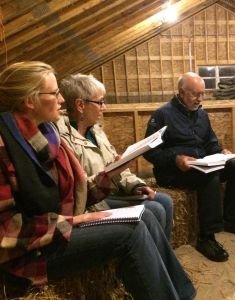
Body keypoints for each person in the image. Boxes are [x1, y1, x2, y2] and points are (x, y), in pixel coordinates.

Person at [0, 61, 195, 300]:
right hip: (32, 253)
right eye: (54, 93)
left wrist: (111, 173)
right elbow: (6, 231)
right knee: (130, 232)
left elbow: (77, 191)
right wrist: (72, 221)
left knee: (145, 215)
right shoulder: (6, 146)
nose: (62, 100)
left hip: (61, 228)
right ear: (30, 101)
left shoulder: (49, 137)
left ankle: (181, 293)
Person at [144, 72, 235, 262]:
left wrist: (221, 152)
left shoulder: (202, 114)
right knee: (209, 176)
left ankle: (231, 219)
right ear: (181, 92)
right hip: (173, 172)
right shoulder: (162, 115)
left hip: (199, 164)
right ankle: (206, 237)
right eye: (195, 94)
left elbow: (210, 143)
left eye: (202, 94)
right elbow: (149, 152)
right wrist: (176, 159)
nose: (200, 99)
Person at [56, 74, 173, 240]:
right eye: (100, 102)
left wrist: (134, 185)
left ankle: (160, 253)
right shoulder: (62, 138)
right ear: (80, 105)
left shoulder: (95, 131)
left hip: (112, 190)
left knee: (165, 200)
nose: (104, 108)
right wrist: (110, 173)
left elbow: (114, 164)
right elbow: (79, 188)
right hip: (93, 201)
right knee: (154, 210)